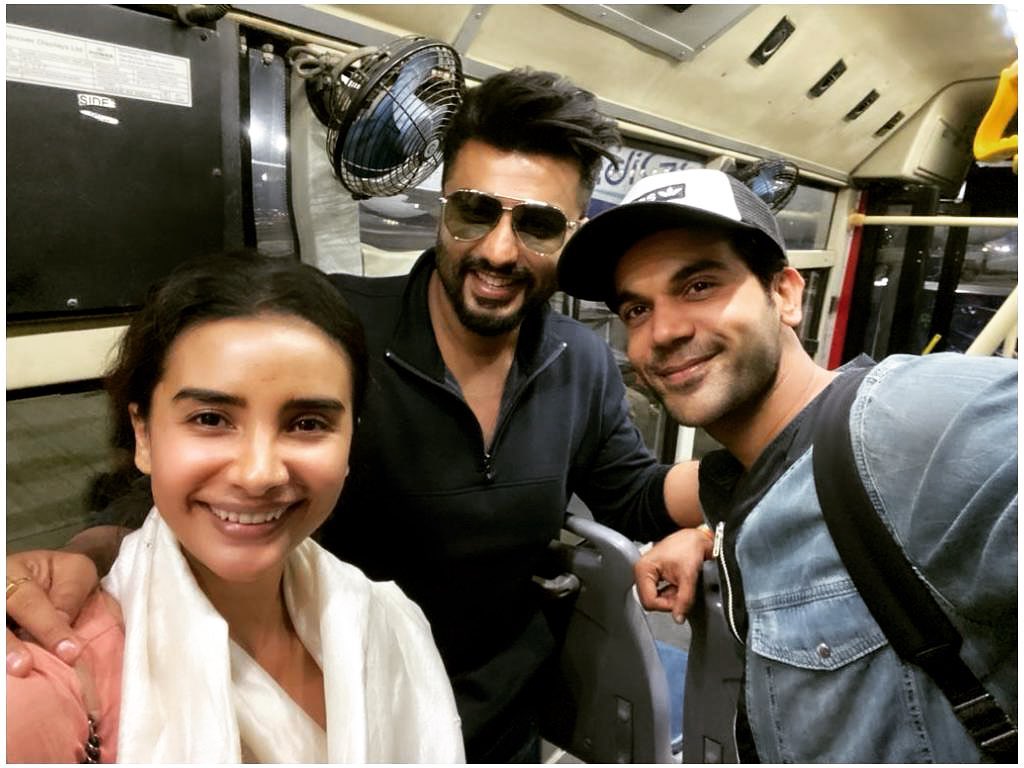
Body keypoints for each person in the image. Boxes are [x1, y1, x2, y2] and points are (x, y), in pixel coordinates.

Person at [7, 70, 705, 763]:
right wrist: (82, 559)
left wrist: (741, 493)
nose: (498, 250)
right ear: (441, 207)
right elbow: (190, 480)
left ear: (572, 235)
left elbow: (636, 493)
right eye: (473, 211)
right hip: (336, 710)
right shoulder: (335, 335)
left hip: (501, 725)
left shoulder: (580, 361)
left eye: (538, 225)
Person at [556, 166, 1018, 762]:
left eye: (699, 285)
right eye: (637, 310)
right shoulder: (754, 479)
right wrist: (710, 533)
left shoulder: (911, 424)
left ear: (786, 295)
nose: (662, 332)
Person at [6, 253, 464, 763]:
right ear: (144, 435)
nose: (259, 473)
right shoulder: (47, 685)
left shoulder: (388, 623)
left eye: (307, 424)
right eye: (210, 419)